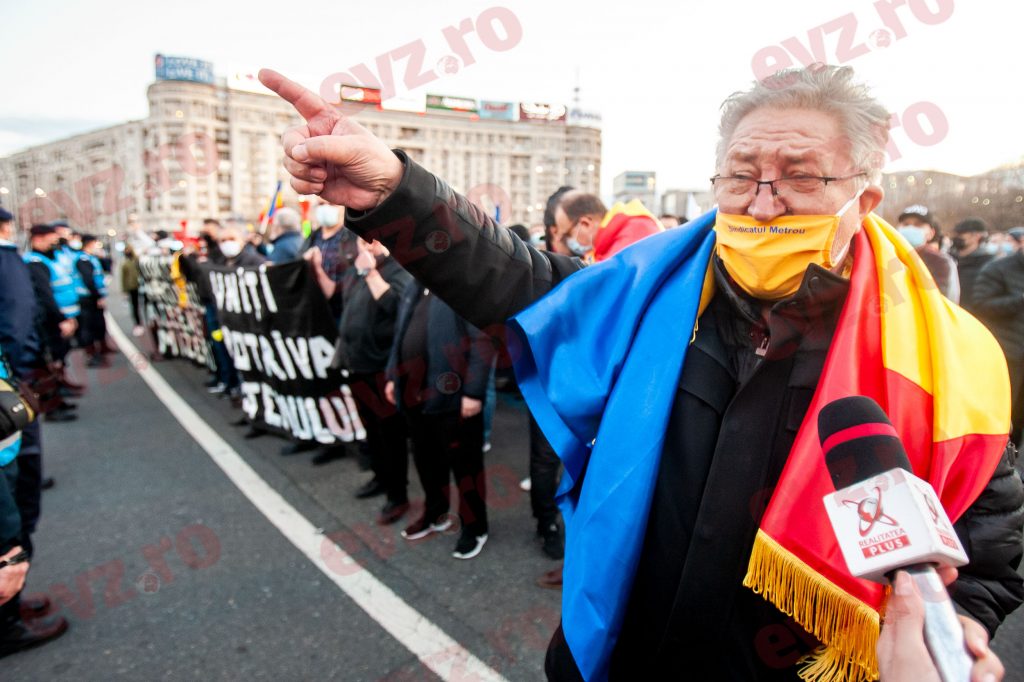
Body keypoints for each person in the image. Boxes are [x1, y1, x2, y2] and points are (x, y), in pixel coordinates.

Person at [261, 64, 1021, 680]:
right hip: (622, 651)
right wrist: (392, 191)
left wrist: (962, 620)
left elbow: (990, 531)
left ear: (865, 194)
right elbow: (516, 282)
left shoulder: (946, 357)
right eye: (741, 175)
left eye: (801, 176)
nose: (762, 202)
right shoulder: (647, 293)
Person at [385, 284, 496, 559]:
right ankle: (435, 514)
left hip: (455, 398)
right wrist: (392, 376)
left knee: (465, 466)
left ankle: (475, 527)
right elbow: (400, 332)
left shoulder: (462, 283)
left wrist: (473, 391)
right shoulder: (415, 285)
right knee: (425, 461)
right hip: (414, 395)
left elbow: (483, 339)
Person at [334, 238, 413, 517]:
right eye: (362, 241)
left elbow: (396, 308)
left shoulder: (397, 270)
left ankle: (398, 495)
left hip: (381, 368)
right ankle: (380, 478)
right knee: (371, 431)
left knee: (390, 435)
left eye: (374, 241)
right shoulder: (354, 271)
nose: (368, 247)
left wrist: (371, 273)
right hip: (357, 365)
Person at [972, 232, 1024, 446]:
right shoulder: (998, 268)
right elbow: (981, 305)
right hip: (1007, 355)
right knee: (1002, 417)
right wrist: (1019, 300)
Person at [551, 191, 662, 263]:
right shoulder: (607, 244)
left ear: (585, 223)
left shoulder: (636, 231)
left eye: (567, 235)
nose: (567, 242)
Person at [896, 205, 959, 303]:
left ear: (931, 233)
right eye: (906, 224)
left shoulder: (941, 262)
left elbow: (944, 302)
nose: (910, 228)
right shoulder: (890, 254)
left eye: (918, 225)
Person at [76, 236, 110, 367]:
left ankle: (100, 349)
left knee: (98, 324)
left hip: (93, 296)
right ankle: (91, 355)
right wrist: (97, 297)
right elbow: (88, 280)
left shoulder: (91, 258)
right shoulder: (83, 259)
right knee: (88, 327)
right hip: (88, 298)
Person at [951, 217, 995, 313]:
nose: (956, 237)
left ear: (976, 236)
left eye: (961, 234)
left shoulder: (989, 263)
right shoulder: (949, 259)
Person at [120, 243, 145, 336]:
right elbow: (123, 278)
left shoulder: (137, 260)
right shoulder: (125, 263)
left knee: (144, 305)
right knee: (134, 307)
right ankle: (138, 324)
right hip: (132, 288)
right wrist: (124, 291)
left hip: (141, 286)